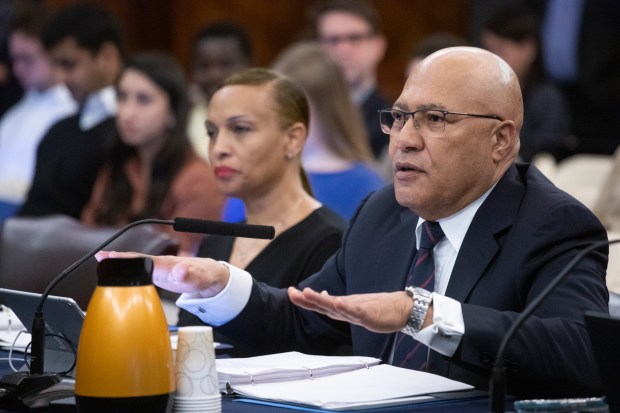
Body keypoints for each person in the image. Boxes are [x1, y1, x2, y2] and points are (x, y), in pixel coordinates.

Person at [98, 47, 609, 399]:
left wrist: (423, 313)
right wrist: (219, 285)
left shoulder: (554, 224)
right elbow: (307, 318)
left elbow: (580, 355)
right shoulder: (381, 213)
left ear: (501, 140)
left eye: (434, 120)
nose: (404, 139)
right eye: (400, 117)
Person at [177, 68, 346, 356]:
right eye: (212, 132)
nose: (219, 148)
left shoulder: (331, 242)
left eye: (240, 129)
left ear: (293, 139)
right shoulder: (214, 243)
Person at [81, 52, 225, 256]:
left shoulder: (198, 179)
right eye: (122, 97)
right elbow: (87, 238)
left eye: (143, 100)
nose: (127, 113)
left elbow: (179, 260)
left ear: (173, 111)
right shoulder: (120, 164)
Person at [18, 3, 123, 219]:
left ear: (107, 56)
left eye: (69, 64)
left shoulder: (128, 131)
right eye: (56, 65)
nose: (61, 77)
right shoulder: (58, 130)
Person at [0, 6, 77, 222]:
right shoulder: (15, 112)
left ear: (54, 54)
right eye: (14, 59)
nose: (17, 69)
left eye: (27, 59)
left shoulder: (70, 112)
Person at [481, 4, 572, 162]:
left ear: (528, 48)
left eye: (501, 50)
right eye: (488, 50)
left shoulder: (546, 98)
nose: (493, 58)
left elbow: (548, 148)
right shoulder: (481, 92)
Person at [310, 0, 390, 160]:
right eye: (332, 40)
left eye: (355, 38)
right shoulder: (306, 118)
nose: (344, 49)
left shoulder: (391, 122)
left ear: (378, 46)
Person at [186, 21, 252, 161]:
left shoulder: (266, 115)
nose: (214, 75)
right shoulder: (185, 116)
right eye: (204, 66)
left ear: (248, 65)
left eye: (225, 64)